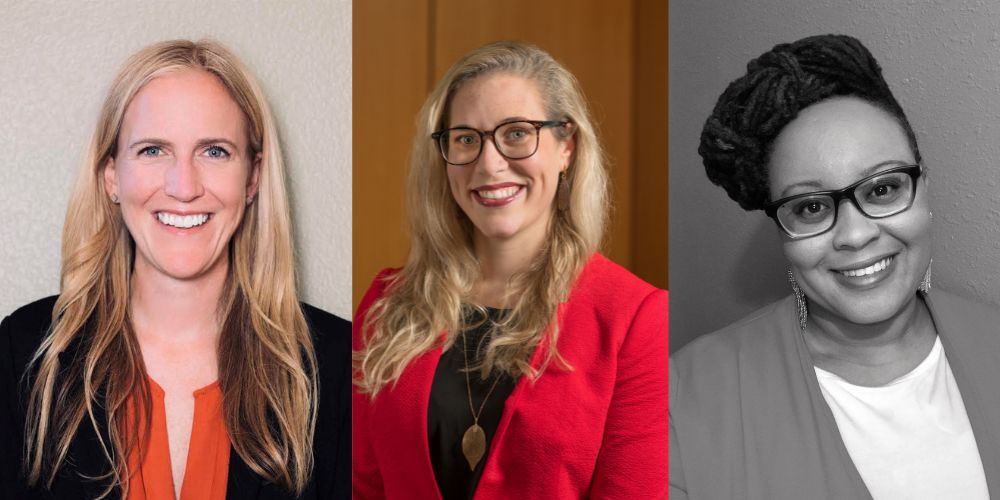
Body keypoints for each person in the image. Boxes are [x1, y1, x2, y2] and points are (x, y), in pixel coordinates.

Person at [0, 40, 350, 499]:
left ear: (252, 178)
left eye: (214, 152)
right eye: (152, 150)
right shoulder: (23, 353)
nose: (183, 187)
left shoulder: (339, 366)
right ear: (111, 176)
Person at [670, 34, 1000, 499]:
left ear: (923, 188)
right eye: (810, 208)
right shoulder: (682, 401)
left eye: (882, 189)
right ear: (782, 230)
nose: (855, 234)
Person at [352, 41, 668, 499]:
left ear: (566, 147)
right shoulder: (387, 301)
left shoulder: (636, 319)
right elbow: (363, 488)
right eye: (465, 138)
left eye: (517, 133)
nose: (489, 163)